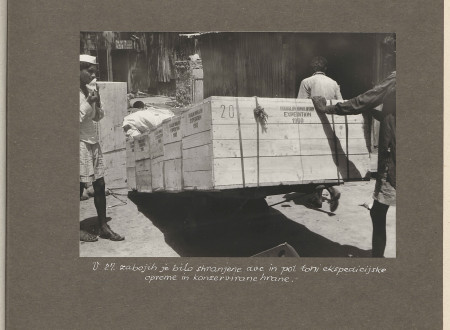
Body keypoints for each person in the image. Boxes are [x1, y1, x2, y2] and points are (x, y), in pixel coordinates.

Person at [311, 35, 396, 257]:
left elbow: (362, 101)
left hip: (394, 158)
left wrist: (328, 109)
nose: (391, 58)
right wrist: (375, 112)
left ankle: (378, 264)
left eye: (392, 54)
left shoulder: (397, 79)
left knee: (378, 212)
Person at [79, 54, 124, 242]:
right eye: (89, 71)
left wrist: (96, 101)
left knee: (100, 184)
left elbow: (97, 117)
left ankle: (103, 226)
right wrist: (88, 102)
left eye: (94, 71)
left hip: (92, 140)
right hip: (78, 141)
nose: (92, 74)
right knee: (78, 185)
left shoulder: (91, 88)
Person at [298, 56, 342, 211]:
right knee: (325, 161)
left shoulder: (306, 82)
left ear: (313, 68)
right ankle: (321, 197)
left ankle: (328, 192)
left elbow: (300, 105)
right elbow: (340, 104)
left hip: (312, 127)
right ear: (326, 69)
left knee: (314, 161)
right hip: (330, 126)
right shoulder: (334, 83)